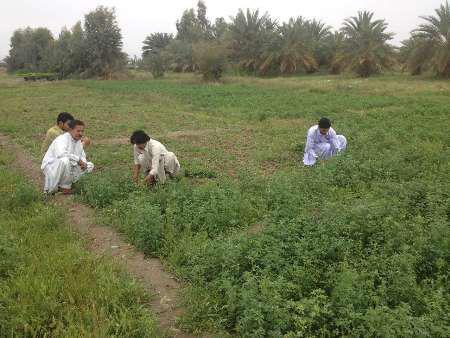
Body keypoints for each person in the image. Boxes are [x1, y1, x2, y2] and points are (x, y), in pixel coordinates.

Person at [41, 119, 94, 194]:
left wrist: (84, 163)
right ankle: (63, 187)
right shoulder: (62, 139)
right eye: (78, 131)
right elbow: (61, 154)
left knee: (90, 165)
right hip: (52, 165)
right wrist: (78, 160)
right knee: (65, 160)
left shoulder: (78, 141)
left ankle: (71, 182)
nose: (81, 133)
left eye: (82, 131)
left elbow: (82, 156)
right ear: (70, 130)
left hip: (69, 165)